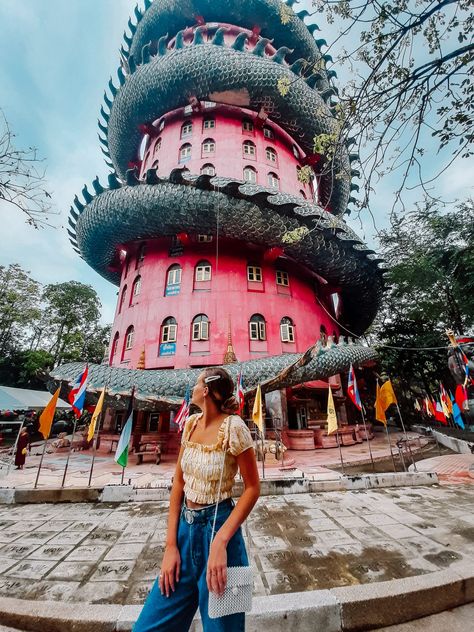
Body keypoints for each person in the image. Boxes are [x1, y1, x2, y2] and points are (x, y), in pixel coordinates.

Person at [134, 367, 260, 632]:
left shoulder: (235, 428)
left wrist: (221, 541)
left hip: (221, 531)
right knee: (148, 627)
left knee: (223, 628)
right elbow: (178, 484)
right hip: (185, 531)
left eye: (196, 383)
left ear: (205, 391)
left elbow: (252, 488)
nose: (191, 388)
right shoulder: (190, 424)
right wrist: (170, 546)